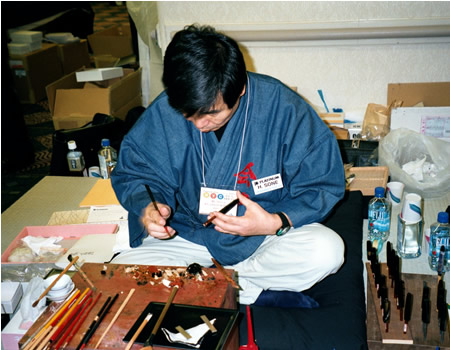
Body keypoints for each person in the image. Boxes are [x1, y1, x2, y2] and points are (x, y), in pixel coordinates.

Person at [111, 24, 346, 305]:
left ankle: (201, 285)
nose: (199, 124)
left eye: (210, 113)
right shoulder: (165, 109)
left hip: (261, 237)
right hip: (188, 234)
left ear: (241, 88)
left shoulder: (284, 108)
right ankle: (240, 288)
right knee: (121, 275)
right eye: (188, 114)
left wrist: (273, 222)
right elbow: (138, 172)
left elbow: (322, 182)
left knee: (327, 251)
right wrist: (151, 209)